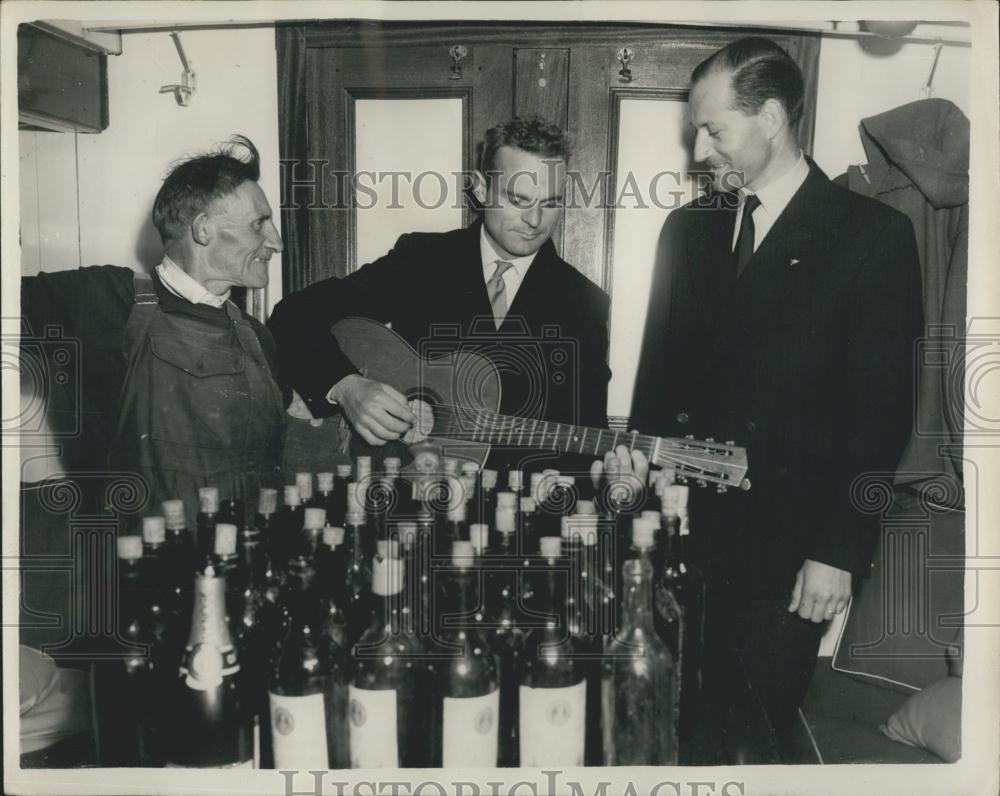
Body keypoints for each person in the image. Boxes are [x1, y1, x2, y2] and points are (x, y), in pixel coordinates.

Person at [629, 38, 923, 746]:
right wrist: (636, 487)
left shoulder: (872, 236)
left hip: (788, 554)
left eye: (713, 130)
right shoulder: (686, 230)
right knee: (660, 721)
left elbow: (880, 416)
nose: (701, 152)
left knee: (748, 735)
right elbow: (657, 379)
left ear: (769, 118)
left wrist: (841, 550)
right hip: (678, 534)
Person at [268, 115, 611, 467]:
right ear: (480, 188)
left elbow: (586, 437)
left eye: (551, 202)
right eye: (519, 199)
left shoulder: (585, 303)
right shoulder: (422, 261)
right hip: (406, 497)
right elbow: (294, 315)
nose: (536, 221)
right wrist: (346, 386)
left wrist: (613, 471)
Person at [20, 135, 286, 531]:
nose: (276, 242)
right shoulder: (107, 300)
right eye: (259, 224)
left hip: (245, 569)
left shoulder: (257, 339)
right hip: (146, 576)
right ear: (203, 229)